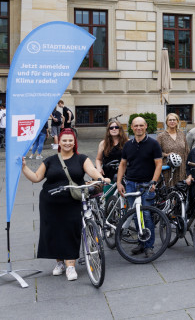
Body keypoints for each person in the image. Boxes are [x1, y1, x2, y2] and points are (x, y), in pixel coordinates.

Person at [21, 128, 108, 281]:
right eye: (64, 140)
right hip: (50, 202)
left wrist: (101, 178)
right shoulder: (50, 160)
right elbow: (36, 177)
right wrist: (24, 167)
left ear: (74, 142)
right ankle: (59, 263)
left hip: (72, 201)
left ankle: (70, 266)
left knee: (71, 231)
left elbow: (92, 171)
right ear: (59, 142)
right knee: (54, 232)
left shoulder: (81, 159)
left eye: (70, 140)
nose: (67, 143)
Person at [116, 116, 163, 257]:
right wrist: (119, 182)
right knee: (136, 215)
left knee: (147, 215)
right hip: (130, 184)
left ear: (146, 126)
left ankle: (149, 246)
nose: (138, 128)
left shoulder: (153, 144)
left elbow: (159, 164)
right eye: (136, 125)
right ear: (131, 127)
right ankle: (141, 243)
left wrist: (154, 182)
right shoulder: (128, 145)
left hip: (146, 185)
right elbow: (123, 164)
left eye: (141, 125)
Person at [157, 112, 189, 186]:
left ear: (177, 122)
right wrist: (166, 154)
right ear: (167, 122)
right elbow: (156, 153)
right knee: (168, 191)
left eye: (174, 120)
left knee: (180, 190)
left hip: (181, 168)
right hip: (168, 168)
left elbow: (187, 151)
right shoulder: (161, 136)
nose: (172, 122)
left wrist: (188, 168)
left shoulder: (182, 134)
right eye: (170, 120)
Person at [95, 119, 129, 186]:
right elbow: (98, 159)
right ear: (108, 130)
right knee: (108, 194)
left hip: (123, 174)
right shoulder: (103, 143)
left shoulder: (127, 142)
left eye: (116, 127)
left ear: (120, 129)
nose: (114, 129)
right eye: (111, 128)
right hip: (107, 174)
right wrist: (99, 168)